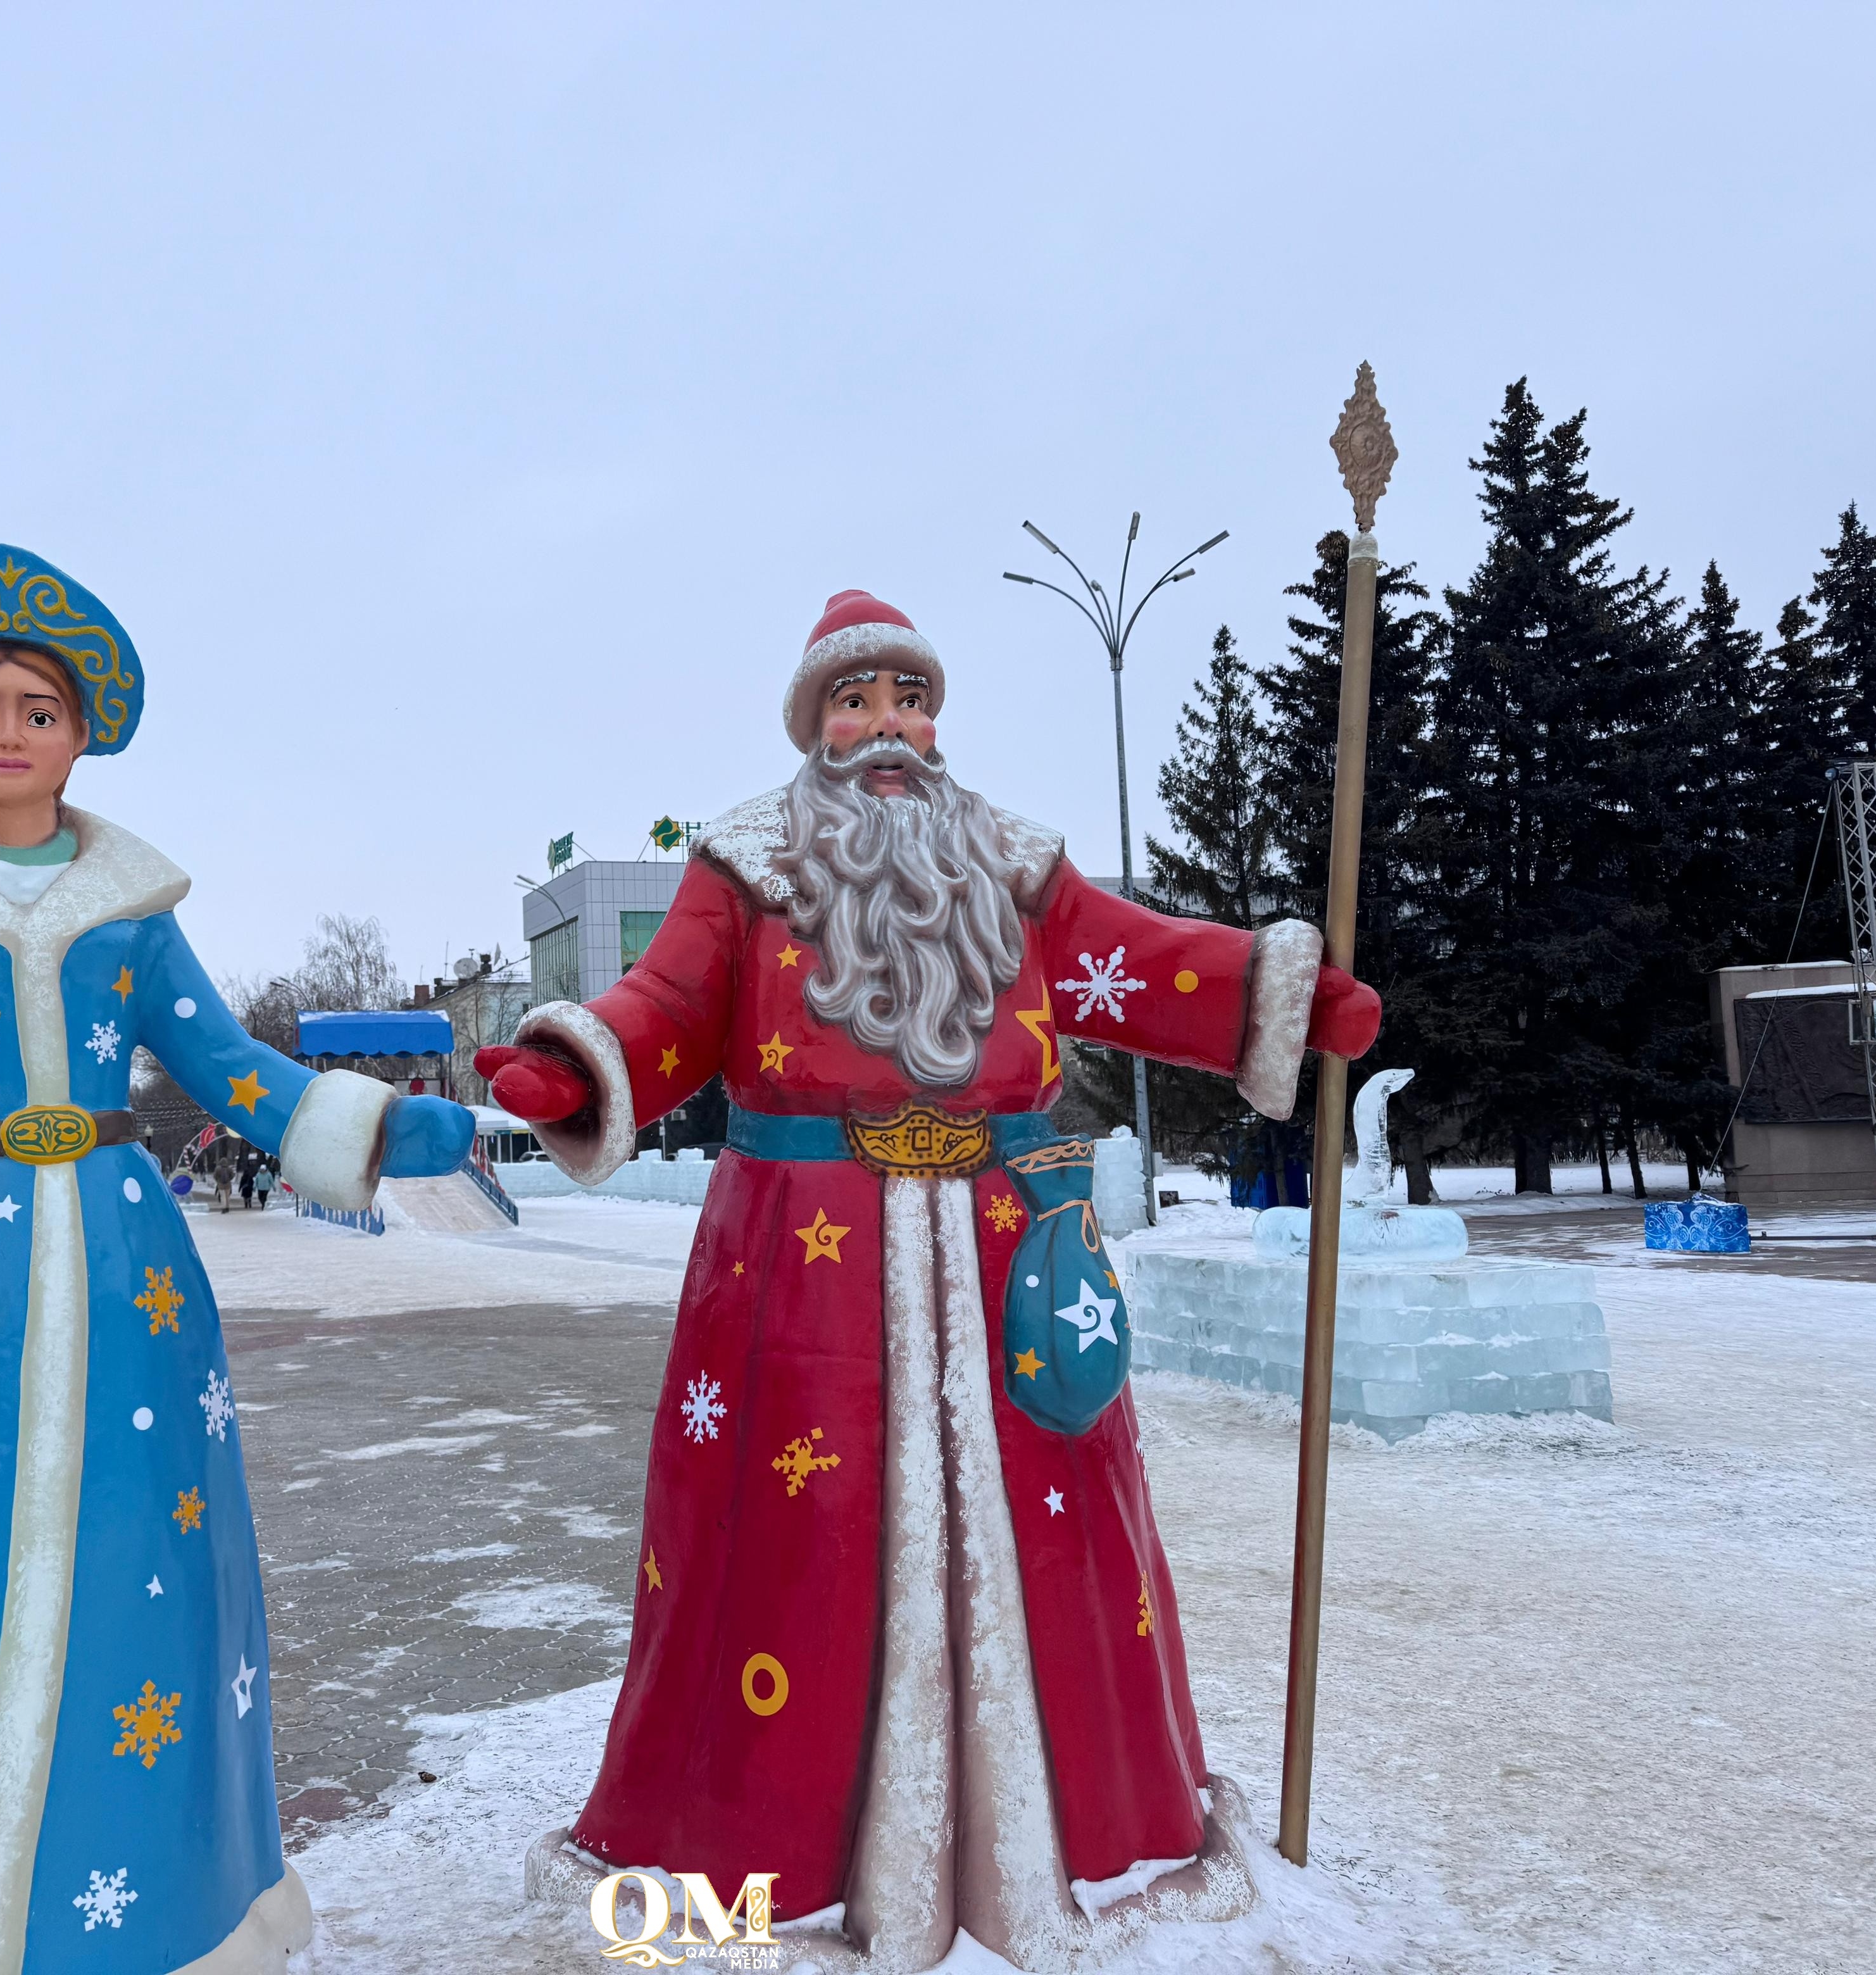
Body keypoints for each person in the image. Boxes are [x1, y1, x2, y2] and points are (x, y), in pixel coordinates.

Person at [477, 590, 1380, 1971]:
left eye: (908, 698)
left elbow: (1133, 966)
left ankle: (1072, 1832)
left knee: (1059, 1529)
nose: (886, 726)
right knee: (797, 1540)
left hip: (1011, 1238)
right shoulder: (747, 864)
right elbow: (664, 1005)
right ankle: (769, 1844)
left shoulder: (1010, 867)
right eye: (857, 701)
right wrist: (579, 1059)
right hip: (796, 1257)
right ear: (814, 725)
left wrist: (1270, 994)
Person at [0, 546, 475, 1975]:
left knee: (138, 1563)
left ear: (81, 731)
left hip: (131, 1283)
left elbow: (225, 1062)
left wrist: (372, 1127)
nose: (9, 729)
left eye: (37, 708)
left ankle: (146, 1904)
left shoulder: (132, 903)